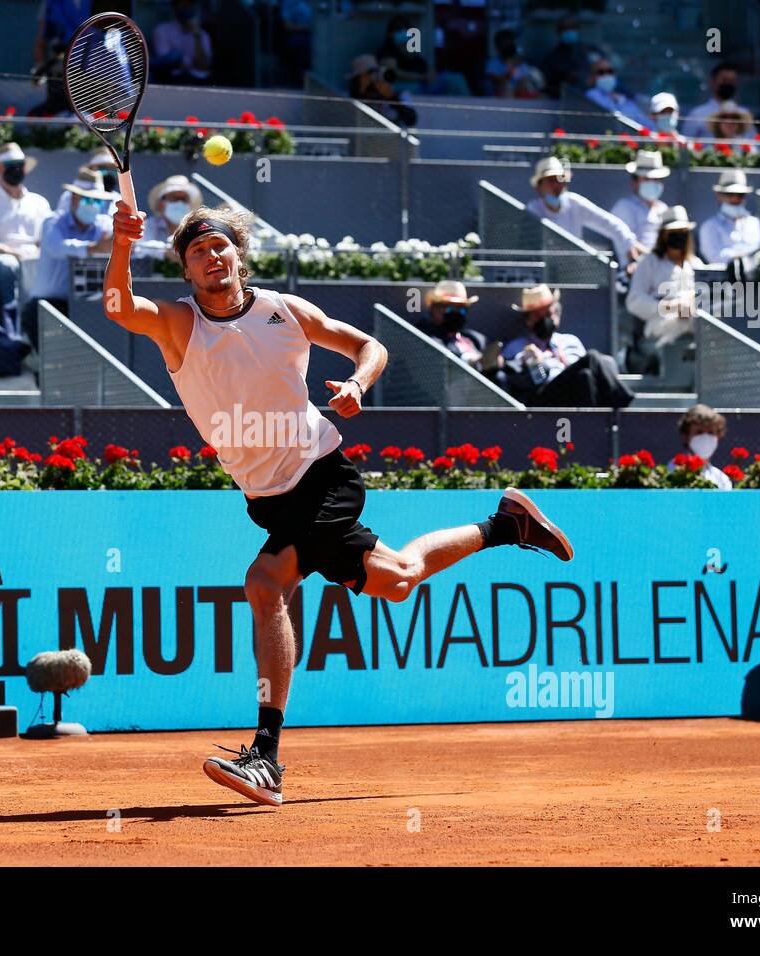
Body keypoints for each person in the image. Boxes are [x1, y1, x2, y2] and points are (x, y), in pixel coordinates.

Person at [103, 204, 575, 806]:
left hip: (320, 474)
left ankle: (266, 757)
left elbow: (369, 345)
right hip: (267, 497)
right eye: (198, 253)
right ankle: (505, 525)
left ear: (239, 254)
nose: (212, 258)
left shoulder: (285, 312)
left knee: (264, 581)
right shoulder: (179, 325)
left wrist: (357, 383)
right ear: (187, 270)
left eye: (220, 247)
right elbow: (119, 307)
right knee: (399, 579)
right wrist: (121, 242)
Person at [495, 284, 633, 408]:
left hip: (574, 393)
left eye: (548, 314)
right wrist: (534, 361)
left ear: (557, 316)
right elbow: (510, 372)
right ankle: (621, 399)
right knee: (592, 357)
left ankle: (593, 425)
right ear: (529, 320)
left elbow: (583, 370)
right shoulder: (517, 346)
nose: (544, 320)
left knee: (586, 375)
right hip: (544, 396)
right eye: (538, 316)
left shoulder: (570, 341)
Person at [23, 167, 116, 333]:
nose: (93, 206)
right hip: (46, 305)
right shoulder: (52, 222)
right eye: (88, 200)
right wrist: (93, 248)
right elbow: (56, 247)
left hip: (86, 307)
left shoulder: (104, 224)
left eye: (98, 201)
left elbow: (119, 243)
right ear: (74, 198)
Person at [0, 143, 54, 319]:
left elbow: (45, 239)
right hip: (5, 258)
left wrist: (35, 255)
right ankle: (10, 321)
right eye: (10, 166)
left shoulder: (40, 202)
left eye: (19, 165)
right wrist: (20, 255)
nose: (16, 169)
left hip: (37, 257)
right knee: (6, 265)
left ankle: (42, 319)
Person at [526, 155, 644, 268]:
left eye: (560, 179)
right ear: (539, 187)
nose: (557, 185)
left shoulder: (575, 203)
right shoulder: (533, 210)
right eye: (551, 181)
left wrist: (628, 245)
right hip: (543, 270)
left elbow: (610, 224)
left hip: (574, 270)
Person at [627, 205, 702, 347]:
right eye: (674, 232)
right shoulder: (649, 262)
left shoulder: (695, 264)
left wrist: (690, 305)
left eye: (683, 232)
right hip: (661, 324)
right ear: (663, 235)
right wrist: (671, 307)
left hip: (695, 320)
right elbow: (634, 301)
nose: (679, 236)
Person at [376, 13, 470, 97]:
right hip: (406, 87)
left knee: (456, 79)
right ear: (391, 33)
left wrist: (430, 74)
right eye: (398, 30)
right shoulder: (388, 49)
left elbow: (426, 67)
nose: (403, 32)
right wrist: (421, 77)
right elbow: (392, 73)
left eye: (405, 29)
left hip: (425, 84)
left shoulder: (411, 49)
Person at [414, 279, 488, 369]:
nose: (455, 313)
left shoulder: (474, 338)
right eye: (449, 308)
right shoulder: (422, 336)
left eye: (461, 309)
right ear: (434, 308)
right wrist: (469, 360)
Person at [699, 169, 760, 266]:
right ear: (719, 196)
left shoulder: (755, 223)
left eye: (740, 195)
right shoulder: (709, 226)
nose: (735, 199)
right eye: (729, 194)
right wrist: (744, 256)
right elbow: (714, 257)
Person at [610, 149, 670, 254]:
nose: (652, 183)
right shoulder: (624, 207)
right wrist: (655, 260)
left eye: (656, 179)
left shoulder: (663, 208)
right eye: (646, 179)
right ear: (634, 182)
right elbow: (627, 243)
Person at [347, 53, 416, 127]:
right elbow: (355, 106)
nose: (374, 77)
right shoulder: (358, 92)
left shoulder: (397, 94)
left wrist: (390, 97)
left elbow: (410, 120)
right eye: (369, 72)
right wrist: (365, 91)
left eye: (375, 71)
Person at [152, 0, 213, 85]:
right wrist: (189, 62)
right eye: (183, 6)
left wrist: (196, 35)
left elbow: (203, 65)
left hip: (198, 81)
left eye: (189, 6)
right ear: (174, 8)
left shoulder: (202, 34)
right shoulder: (162, 30)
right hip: (172, 80)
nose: (187, 9)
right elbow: (165, 61)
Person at [674, 404, 732, 490]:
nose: (705, 437)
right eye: (699, 432)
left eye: (711, 432)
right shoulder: (672, 473)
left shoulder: (722, 479)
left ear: (718, 437)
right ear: (686, 436)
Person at [584, 56, 651, 128]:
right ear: (592, 77)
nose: (606, 75)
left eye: (610, 71)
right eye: (601, 72)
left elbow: (647, 124)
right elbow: (612, 118)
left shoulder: (623, 99)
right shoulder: (592, 95)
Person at [682, 62, 741, 139]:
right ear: (712, 82)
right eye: (724, 80)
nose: (728, 84)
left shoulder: (743, 114)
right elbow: (685, 144)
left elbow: (755, 145)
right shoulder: (697, 115)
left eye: (732, 81)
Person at [540, 14, 593, 99]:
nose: (570, 31)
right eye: (566, 29)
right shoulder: (552, 58)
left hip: (591, 100)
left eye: (573, 28)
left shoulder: (588, 51)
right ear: (559, 32)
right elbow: (545, 87)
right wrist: (566, 81)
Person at [483, 28, 544, 98]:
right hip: (497, 99)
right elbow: (499, 84)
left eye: (509, 43)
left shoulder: (521, 63)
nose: (507, 47)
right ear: (497, 46)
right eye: (504, 43)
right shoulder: (492, 64)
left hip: (519, 99)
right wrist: (511, 67)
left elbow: (525, 84)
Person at [33, 0, 91, 69]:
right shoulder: (51, 3)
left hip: (91, 67)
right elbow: (40, 41)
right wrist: (39, 66)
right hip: (58, 68)